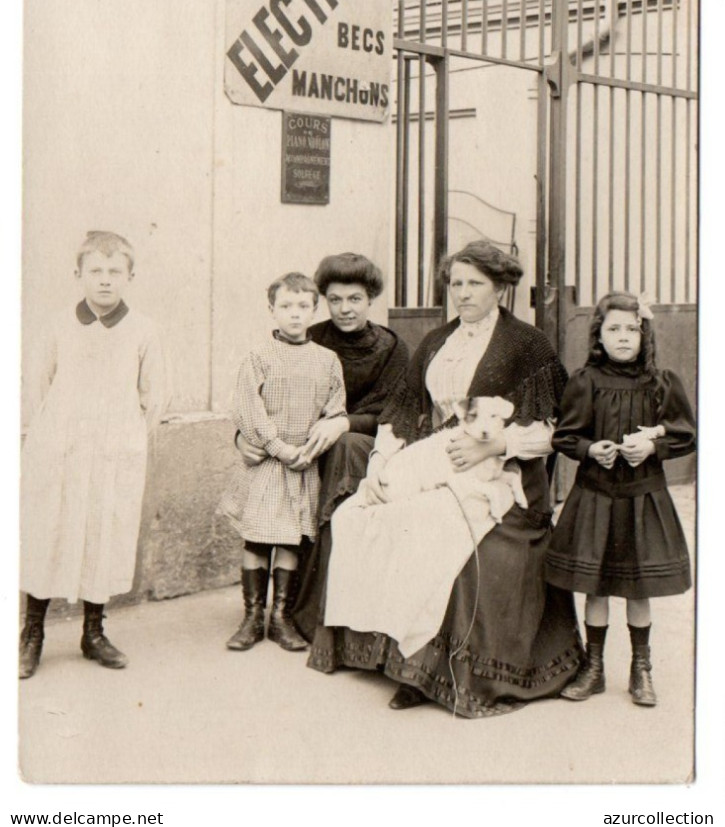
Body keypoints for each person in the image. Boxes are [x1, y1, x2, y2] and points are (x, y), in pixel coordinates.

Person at [308, 239, 582, 718]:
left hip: (504, 477)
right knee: (358, 514)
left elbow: (552, 430)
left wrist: (494, 445)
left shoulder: (526, 343)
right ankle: (393, 658)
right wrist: (381, 470)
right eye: (456, 283)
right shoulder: (437, 342)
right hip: (431, 464)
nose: (463, 293)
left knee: (433, 524)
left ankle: (430, 669)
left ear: (500, 287)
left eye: (475, 283)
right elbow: (400, 416)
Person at [19, 230, 170, 679]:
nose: (105, 281)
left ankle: (94, 632)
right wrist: (49, 436)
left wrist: (124, 439)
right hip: (59, 449)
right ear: (79, 274)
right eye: (96, 271)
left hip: (112, 453)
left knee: (103, 534)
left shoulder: (144, 330)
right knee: (49, 532)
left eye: (115, 272)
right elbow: (35, 386)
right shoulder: (57, 325)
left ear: (130, 276)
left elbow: (154, 396)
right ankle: (32, 633)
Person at [236, 253, 408, 643]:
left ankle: (315, 609)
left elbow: (395, 412)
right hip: (292, 452)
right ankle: (273, 611)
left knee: (344, 450)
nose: (345, 309)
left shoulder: (394, 348)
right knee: (263, 530)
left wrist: (344, 423)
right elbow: (262, 398)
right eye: (335, 299)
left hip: (361, 449)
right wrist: (243, 438)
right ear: (323, 302)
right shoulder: (308, 338)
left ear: (371, 299)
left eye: (355, 299)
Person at [545, 291, 695, 707]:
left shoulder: (662, 383)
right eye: (614, 329)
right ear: (599, 335)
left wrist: (652, 449)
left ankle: (640, 669)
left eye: (633, 329)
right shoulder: (585, 381)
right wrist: (592, 450)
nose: (624, 337)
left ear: (645, 335)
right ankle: (593, 668)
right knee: (595, 586)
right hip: (596, 496)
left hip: (643, 498)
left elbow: (685, 433)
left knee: (637, 586)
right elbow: (565, 436)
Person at [217, 272, 346, 653]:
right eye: (286, 306)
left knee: (290, 538)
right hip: (267, 465)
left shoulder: (327, 360)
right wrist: (276, 445)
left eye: (303, 306)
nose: (294, 314)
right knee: (258, 538)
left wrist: (310, 448)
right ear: (272, 310)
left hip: (302, 463)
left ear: (314, 309)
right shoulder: (258, 357)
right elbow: (247, 408)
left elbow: (335, 409)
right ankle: (252, 616)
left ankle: (281, 616)